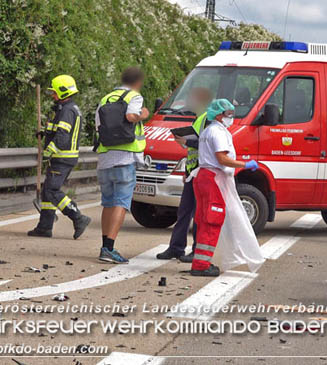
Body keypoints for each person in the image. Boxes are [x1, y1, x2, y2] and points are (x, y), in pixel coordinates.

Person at [190, 99, 264, 277]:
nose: (231, 117)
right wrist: (245, 165)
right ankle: (201, 265)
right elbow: (222, 159)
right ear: (218, 115)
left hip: (204, 178)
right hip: (212, 178)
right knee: (212, 219)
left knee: (204, 219)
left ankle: (200, 261)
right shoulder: (217, 132)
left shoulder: (209, 131)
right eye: (228, 114)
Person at [95, 67, 149, 264]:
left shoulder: (105, 98)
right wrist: (143, 115)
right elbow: (131, 116)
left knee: (108, 203)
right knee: (121, 203)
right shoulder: (134, 96)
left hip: (104, 159)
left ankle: (104, 246)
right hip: (125, 158)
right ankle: (109, 248)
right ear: (137, 82)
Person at [28, 75, 91, 239]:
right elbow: (58, 132)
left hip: (62, 158)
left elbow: (63, 138)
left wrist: (48, 151)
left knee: (52, 190)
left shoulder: (67, 111)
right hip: (61, 158)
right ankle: (44, 227)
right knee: (47, 193)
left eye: (55, 93)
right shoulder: (65, 109)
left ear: (63, 92)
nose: (53, 96)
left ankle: (78, 217)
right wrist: (45, 133)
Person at [156, 87, 213, 262]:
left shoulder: (208, 118)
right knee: (184, 212)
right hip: (192, 171)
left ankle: (197, 250)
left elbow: (207, 141)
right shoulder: (198, 117)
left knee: (198, 215)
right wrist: (185, 170)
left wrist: (187, 140)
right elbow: (193, 149)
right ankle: (176, 248)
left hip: (202, 172)